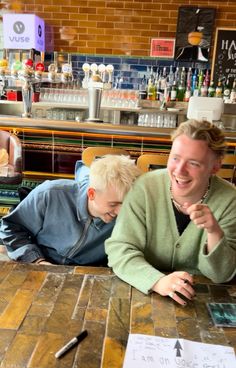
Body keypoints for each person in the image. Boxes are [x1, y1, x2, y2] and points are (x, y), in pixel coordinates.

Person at [105, 119, 236, 306]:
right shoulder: (145, 188)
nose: (179, 171)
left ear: (215, 166)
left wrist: (214, 232)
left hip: (201, 301)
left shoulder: (230, 200)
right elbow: (120, 250)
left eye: (193, 163)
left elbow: (221, 275)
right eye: (175, 158)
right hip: (142, 293)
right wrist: (157, 281)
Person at [0, 155, 141, 266]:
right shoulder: (50, 193)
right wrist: (36, 261)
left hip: (89, 276)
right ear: (91, 194)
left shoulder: (132, 213)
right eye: (113, 204)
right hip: (39, 264)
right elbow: (11, 228)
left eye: (125, 204)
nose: (121, 212)